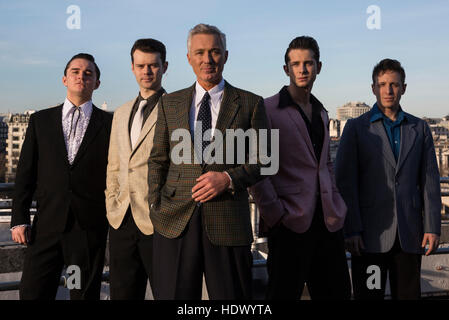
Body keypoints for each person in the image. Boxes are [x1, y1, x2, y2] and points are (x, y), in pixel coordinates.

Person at [148, 23, 269, 300]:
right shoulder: (170, 103)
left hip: (228, 222)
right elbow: (157, 160)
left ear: (226, 55)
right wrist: (155, 205)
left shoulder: (252, 103)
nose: (208, 59)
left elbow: (267, 159)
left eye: (215, 51)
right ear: (188, 58)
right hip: (174, 222)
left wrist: (228, 179)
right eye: (200, 52)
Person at [249, 36, 351, 300]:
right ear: (286, 69)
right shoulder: (267, 109)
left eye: (308, 63)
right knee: (283, 294)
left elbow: (325, 164)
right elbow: (256, 167)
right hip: (288, 224)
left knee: (337, 293)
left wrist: (337, 203)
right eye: (296, 64)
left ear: (319, 67)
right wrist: (276, 214)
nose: (303, 69)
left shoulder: (321, 112)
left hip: (328, 223)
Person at [335, 58, 441, 300]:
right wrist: (351, 230)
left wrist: (432, 227)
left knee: (408, 295)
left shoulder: (420, 128)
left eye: (394, 84)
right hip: (370, 238)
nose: (388, 90)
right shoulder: (355, 127)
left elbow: (430, 181)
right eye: (382, 84)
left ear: (404, 87)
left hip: (409, 234)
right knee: (370, 295)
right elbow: (345, 183)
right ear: (373, 88)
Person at [11, 53, 112, 300]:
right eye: (76, 72)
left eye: (89, 73)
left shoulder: (110, 124)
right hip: (46, 228)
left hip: (88, 229)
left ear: (97, 83)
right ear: (64, 79)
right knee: (33, 293)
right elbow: (25, 173)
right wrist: (19, 218)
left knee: (83, 294)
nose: (82, 76)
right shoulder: (40, 121)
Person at [105, 38, 168, 299]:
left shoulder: (175, 108)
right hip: (121, 220)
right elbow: (115, 165)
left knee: (167, 292)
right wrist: (112, 202)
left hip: (158, 221)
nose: (146, 72)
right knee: (122, 293)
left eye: (153, 65)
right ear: (132, 67)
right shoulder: (120, 113)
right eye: (141, 65)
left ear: (164, 67)